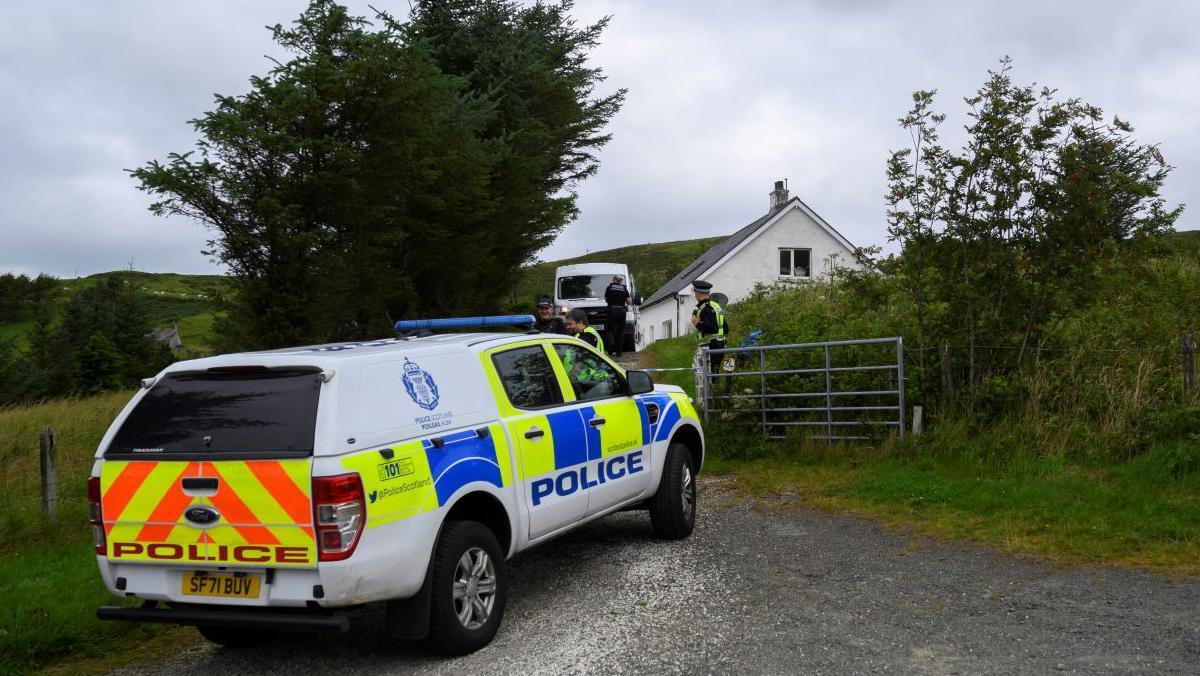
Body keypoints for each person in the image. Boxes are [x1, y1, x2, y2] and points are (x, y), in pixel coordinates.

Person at [689, 279, 729, 377]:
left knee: (708, 379)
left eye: (695, 293)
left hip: (710, 348)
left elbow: (712, 329)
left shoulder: (705, 309)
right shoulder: (715, 306)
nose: (694, 295)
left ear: (698, 293)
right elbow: (726, 329)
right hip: (719, 346)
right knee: (713, 377)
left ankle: (712, 391)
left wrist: (697, 324)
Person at [603, 274, 632, 357]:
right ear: (620, 281)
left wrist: (611, 302)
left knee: (609, 330)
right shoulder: (624, 288)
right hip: (621, 311)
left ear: (614, 280)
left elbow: (606, 299)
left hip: (611, 310)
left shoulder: (609, 288)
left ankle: (611, 344)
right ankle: (619, 353)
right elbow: (629, 302)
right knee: (620, 332)